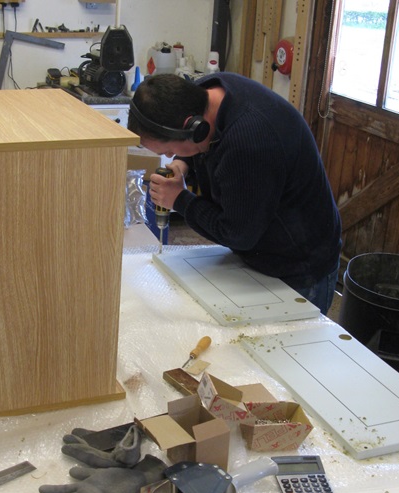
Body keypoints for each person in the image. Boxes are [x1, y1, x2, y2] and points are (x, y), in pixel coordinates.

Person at [127, 73, 342, 315]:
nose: (168, 156)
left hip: (298, 265)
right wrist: (183, 161)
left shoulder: (249, 141)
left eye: (168, 150)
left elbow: (237, 233)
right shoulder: (199, 96)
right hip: (261, 250)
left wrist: (181, 200)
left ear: (194, 128)